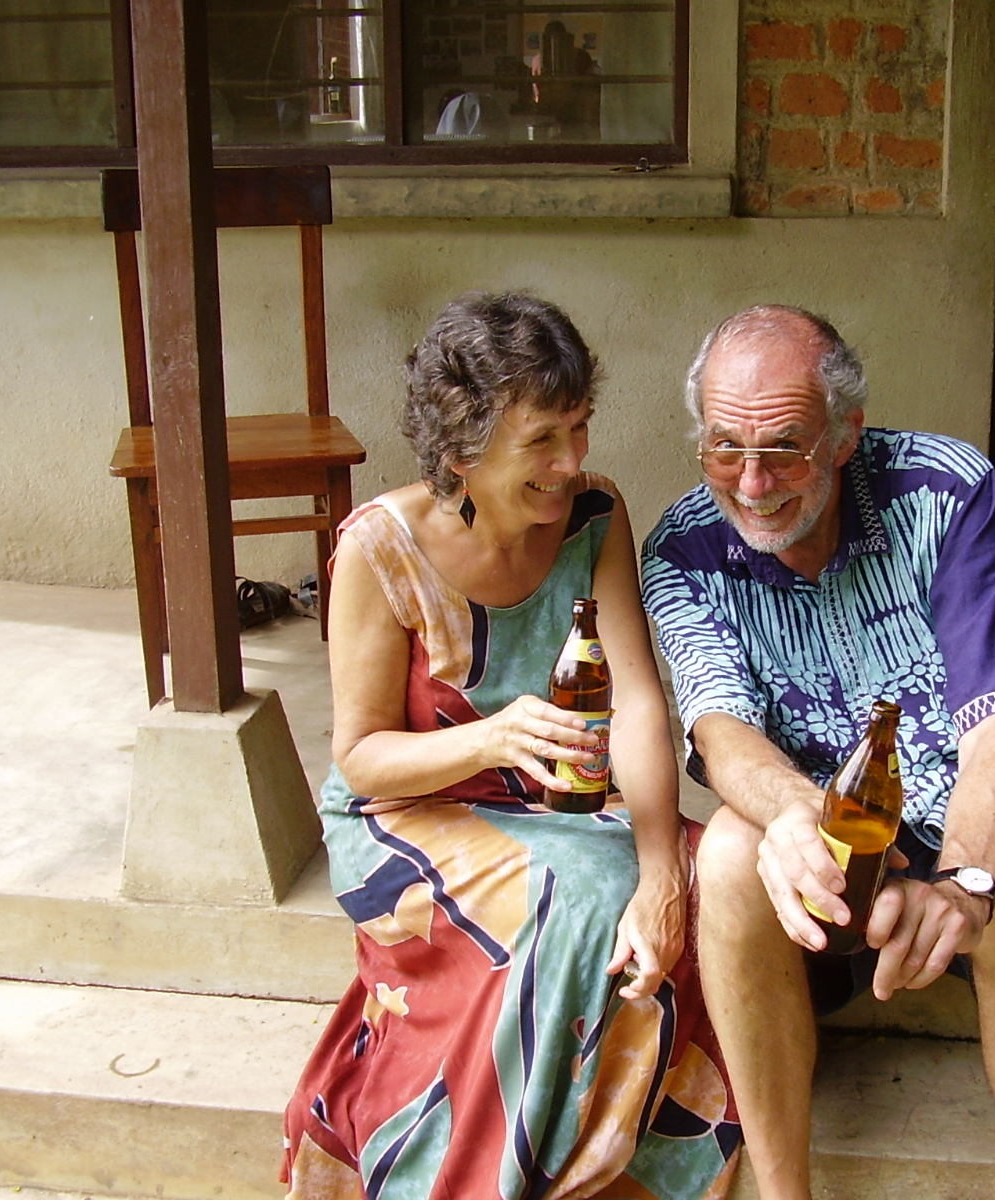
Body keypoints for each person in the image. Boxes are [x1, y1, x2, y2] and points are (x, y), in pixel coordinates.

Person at [641, 306, 995, 1200]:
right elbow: (719, 730)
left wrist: (965, 880)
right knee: (734, 854)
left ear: (847, 432)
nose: (752, 481)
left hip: (963, 794)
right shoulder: (684, 551)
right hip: (828, 819)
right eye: (724, 447)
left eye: (784, 447)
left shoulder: (944, 489)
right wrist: (793, 818)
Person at [282, 293, 740, 1199]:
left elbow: (641, 703)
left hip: (574, 806)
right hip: (413, 812)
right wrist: (492, 737)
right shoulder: (381, 550)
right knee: (577, 894)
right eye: (542, 440)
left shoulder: (595, 514)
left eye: (580, 427)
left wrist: (660, 872)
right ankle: (477, 1179)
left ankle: (605, 1166)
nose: (572, 463)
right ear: (460, 448)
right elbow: (361, 759)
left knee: (711, 876)